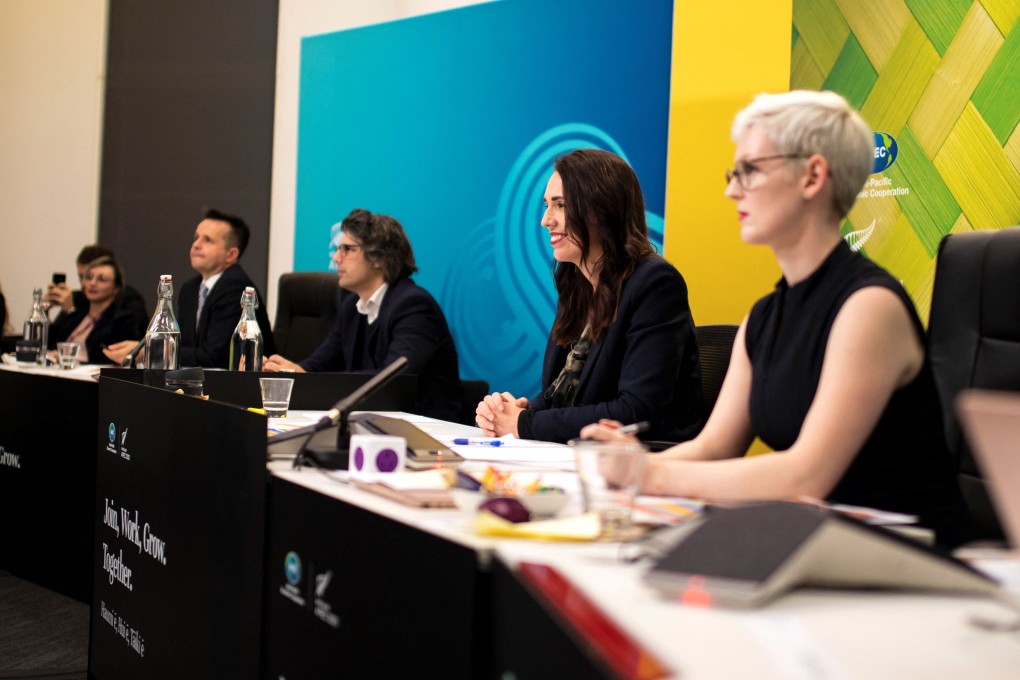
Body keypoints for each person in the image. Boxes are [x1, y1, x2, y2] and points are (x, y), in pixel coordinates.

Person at [581, 91, 971, 546]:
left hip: (913, 561)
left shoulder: (869, 307)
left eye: (750, 169)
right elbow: (714, 447)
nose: (731, 189)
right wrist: (636, 463)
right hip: (829, 546)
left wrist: (652, 475)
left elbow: (805, 474)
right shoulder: (763, 318)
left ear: (812, 176)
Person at [475, 149, 705, 444]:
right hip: (579, 458)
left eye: (560, 206)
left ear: (602, 209)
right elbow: (563, 395)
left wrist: (527, 423)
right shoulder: (577, 286)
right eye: (547, 205)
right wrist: (518, 411)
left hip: (641, 466)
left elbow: (635, 410)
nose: (546, 220)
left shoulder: (654, 283)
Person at [263, 208, 463, 422]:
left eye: (347, 249)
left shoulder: (413, 306)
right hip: (374, 422)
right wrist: (293, 371)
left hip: (427, 428)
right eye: (339, 248)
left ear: (379, 258)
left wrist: (309, 379)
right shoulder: (352, 306)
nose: (336, 257)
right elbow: (320, 364)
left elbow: (392, 381)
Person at [104, 209, 276, 367]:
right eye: (196, 238)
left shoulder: (237, 290)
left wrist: (151, 350)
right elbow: (185, 345)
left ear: (230, 255)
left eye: (207, 240)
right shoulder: (190, 289)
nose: (196, 244)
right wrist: (145, 347)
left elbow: (214, 357)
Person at [48, 256, 144, 364]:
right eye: (89, 277)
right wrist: (45, 308)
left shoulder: (124, 320)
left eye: (102, 279)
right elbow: (49, 345)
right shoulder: (75, 314)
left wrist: (71, 360)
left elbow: (117, 360)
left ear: (116, 288)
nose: (92, 283)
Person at [45, 244, 149, 323]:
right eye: (86, 277)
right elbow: (52, 343)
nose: (89, 283)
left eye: (101, 278)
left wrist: (71, 312)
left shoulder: (130, 301)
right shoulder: (77, 297)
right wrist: (43, 310)